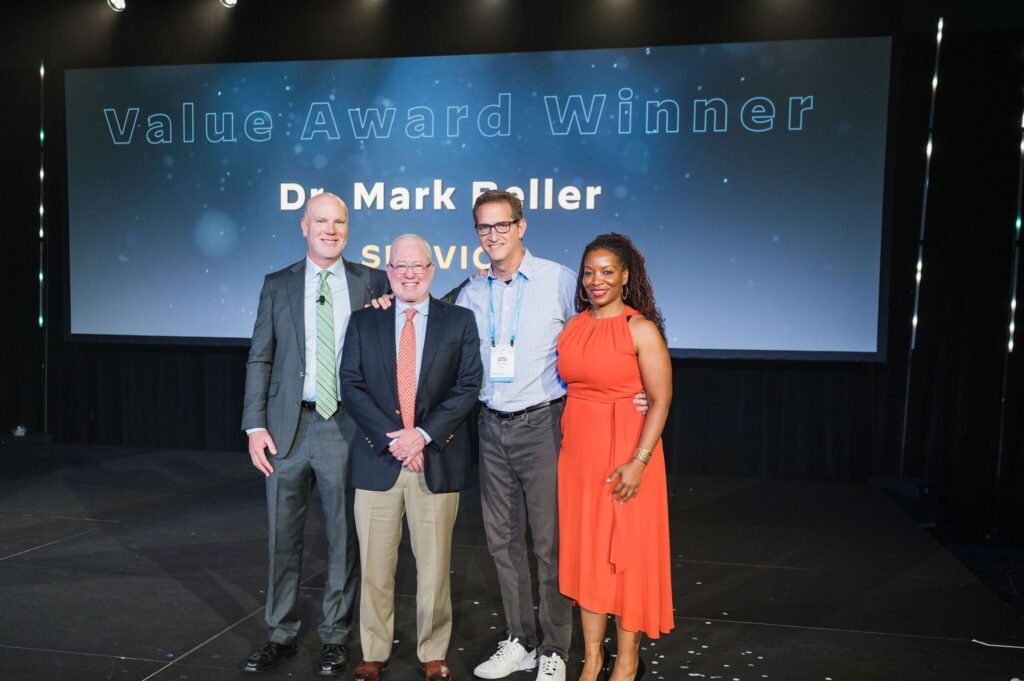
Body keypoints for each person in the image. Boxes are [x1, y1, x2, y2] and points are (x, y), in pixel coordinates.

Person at [458, 190, 647, 681]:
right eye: (484, 228)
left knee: (549, 545)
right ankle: (520, 639)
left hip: (543, 424)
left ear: (522, 226)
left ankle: (555, 649)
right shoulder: (472, 291)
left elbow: (610, 328)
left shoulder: (562, 281)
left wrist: (638, 389)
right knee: (502, 543)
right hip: (490, 425)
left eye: (502, 226)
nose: (493, 236)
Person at [241, 192, 388, 676]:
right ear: (304, 226)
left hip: (344, 425)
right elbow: (261, 355)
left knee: (343, 537)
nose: (331, 229)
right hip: (287, 427)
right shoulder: (277, 284)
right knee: (282, 537)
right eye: (321, 221)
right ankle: (280, 633)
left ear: (348, 227)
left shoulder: (371, 280)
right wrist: (255, 425)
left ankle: (335, 637)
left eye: (339, 221)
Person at [339, 234, 483, 681]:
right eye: (400, 266)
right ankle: (373, 652)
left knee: (435, 567)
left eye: (417, 266)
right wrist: (396, 440)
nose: (409, 273)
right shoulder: (364, 322)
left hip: (434, 460)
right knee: (376, 569)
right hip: (378, 460)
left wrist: (421, 436)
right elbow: (351, 385)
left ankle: (432, 651)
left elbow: (467, 386)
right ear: (389, 270)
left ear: (431, 268)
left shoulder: (458, 320)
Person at [557, 233, 674, 681]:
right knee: (589, 556)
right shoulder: (573, 326)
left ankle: (626, 661)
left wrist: (639, 461)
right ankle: (592, 658)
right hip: (579, 459)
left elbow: (660, 400)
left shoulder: (639, 328)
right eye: (589, 272)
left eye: (607, 271)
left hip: (628, 454)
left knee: (625, 555)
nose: (596, 280)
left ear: (626, 276)